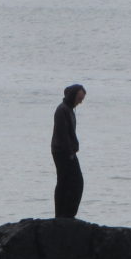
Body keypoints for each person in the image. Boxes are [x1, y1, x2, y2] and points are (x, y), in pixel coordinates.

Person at [51, 83, 86, 218]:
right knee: (71, 182)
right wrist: (70, 153)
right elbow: (63, 134)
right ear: (73, 96)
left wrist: (74, 146)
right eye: (79, 99)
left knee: (70, 182)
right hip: (61, 151)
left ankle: (67, 214)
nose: (80, 102)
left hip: (67, 151)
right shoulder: (62, 110)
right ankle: (62, 214)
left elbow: (71, 133)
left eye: (82, 100)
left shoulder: (69, 109)